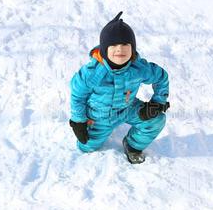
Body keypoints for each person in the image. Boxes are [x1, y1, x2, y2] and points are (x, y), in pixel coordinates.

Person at [69, 11, 170, 164]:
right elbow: (77, 95)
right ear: (104, 49)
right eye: (113, 45)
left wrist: (157, 102)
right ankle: (94, 135)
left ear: (132, 48)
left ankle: (133, 145)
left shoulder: (139, 68)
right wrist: (78, 121)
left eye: (125, 45)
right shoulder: (92, 73)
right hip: (99, 115)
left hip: (127, 108)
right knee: (86, 147)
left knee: (156, 120)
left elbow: (161, 77)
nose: (120, 49)